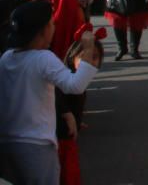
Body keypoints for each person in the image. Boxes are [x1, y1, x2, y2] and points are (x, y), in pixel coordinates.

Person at [0, 1, 100, 185]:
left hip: (7, 142)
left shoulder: (7, 57)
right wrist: (87, 49)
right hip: (37, 145)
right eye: (52, 24)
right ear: (43, 30)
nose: (54, 28)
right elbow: (75, 85)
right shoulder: (42, 58)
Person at [56, 27, 105, 185]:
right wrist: (67, 114)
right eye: (84, 58)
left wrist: (77, 119)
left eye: (95, 57)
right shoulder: (67, 80)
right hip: (61, 138)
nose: (90, 62)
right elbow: (57, 98)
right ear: (72, 57)